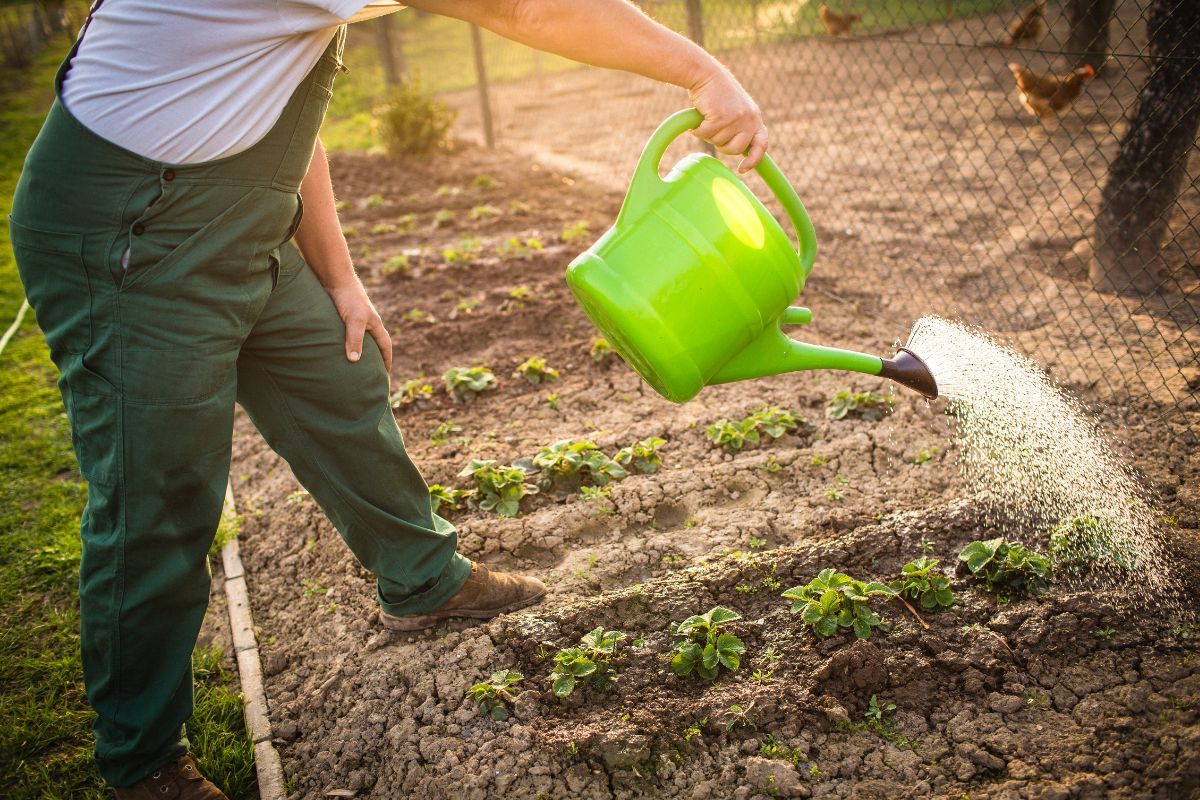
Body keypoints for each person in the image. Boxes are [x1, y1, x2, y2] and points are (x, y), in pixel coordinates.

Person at [10, 1, 769, 796]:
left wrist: (338, 277)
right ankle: (143, 761)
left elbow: (278, 100)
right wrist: (702, 71)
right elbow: (529, 7)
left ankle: (422, 579)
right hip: (133, 233)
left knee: (335, 377)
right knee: (157, 496)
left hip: (235, 217)